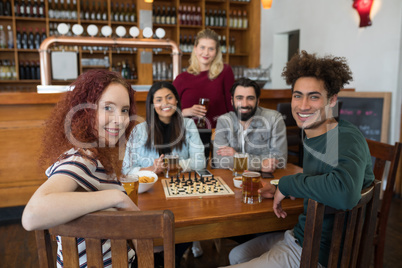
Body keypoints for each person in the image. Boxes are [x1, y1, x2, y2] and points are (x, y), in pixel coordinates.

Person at [224, 51, 375, 267]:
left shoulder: (342, 136)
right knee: (236, 255)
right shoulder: (314, 133)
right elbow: (322, 178)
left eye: (314, 96)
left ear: (332, 100)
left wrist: (288, 184)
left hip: (319, 252)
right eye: (297, 95)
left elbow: (344, 191)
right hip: (301, 234)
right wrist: (283, 188)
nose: (303, 106)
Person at [21, 70, 138, 267]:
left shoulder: (94, 154)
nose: (119, 119)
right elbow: (31, 215)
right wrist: (118, 197)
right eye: (108, 107)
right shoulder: (82, 159)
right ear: (85, 112)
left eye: (125, 110)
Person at [122, 81, 206, 176]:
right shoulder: (138, 130)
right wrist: (152, 169)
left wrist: (173, 165)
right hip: (151, 186)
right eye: (159, 100)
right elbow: (126, 170)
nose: (165, 103)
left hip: (179, 183)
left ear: (176, 100)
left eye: (169, 98)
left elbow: (200, 162)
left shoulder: (189, 125)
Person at [213, 78, 287, 172]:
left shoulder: (274, 119)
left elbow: (280, 160)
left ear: (258, 101)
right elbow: (219, 161)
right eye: (239, 98)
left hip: (264, 180)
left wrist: (237, 156)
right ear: (232, 101)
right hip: (233, 179)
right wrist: (261, 164)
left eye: (250, 98)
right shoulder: (224, 121)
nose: (244, 104)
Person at [173, 28, 235, 130]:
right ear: (195, 49)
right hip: (188, 136)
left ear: (216, 52)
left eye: (211, 49)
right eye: (202, 47)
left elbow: (232, 106)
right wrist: (187, 112)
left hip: (217, 135)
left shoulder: (225, 72)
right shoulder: (181, 79)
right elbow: (167, 109)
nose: (206, 53)